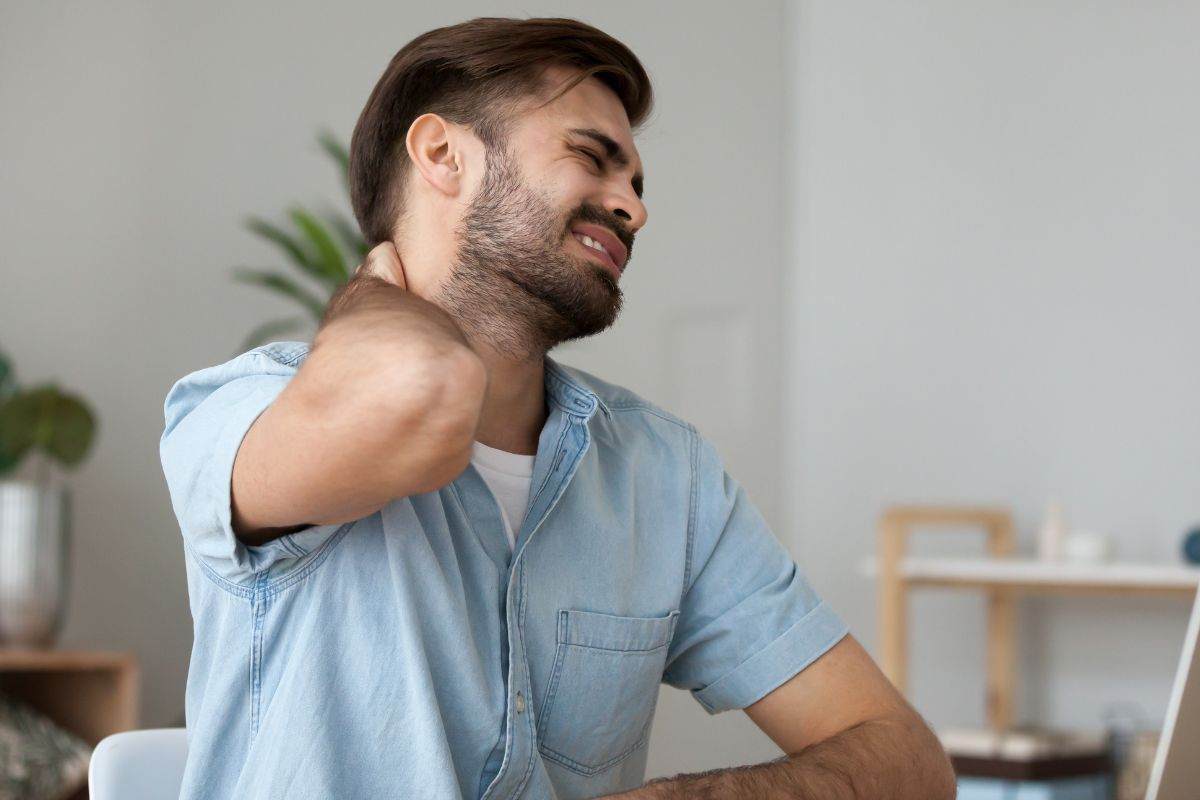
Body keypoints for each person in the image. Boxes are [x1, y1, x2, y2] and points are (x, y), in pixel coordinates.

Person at [159, 16, 955, 799]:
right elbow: (421, 396)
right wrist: (372, 288)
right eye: (592, 158)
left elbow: (909, 763)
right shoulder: (244, 413)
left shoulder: (662, 475)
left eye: (637, 185)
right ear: (443, 155)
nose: (634, 208)